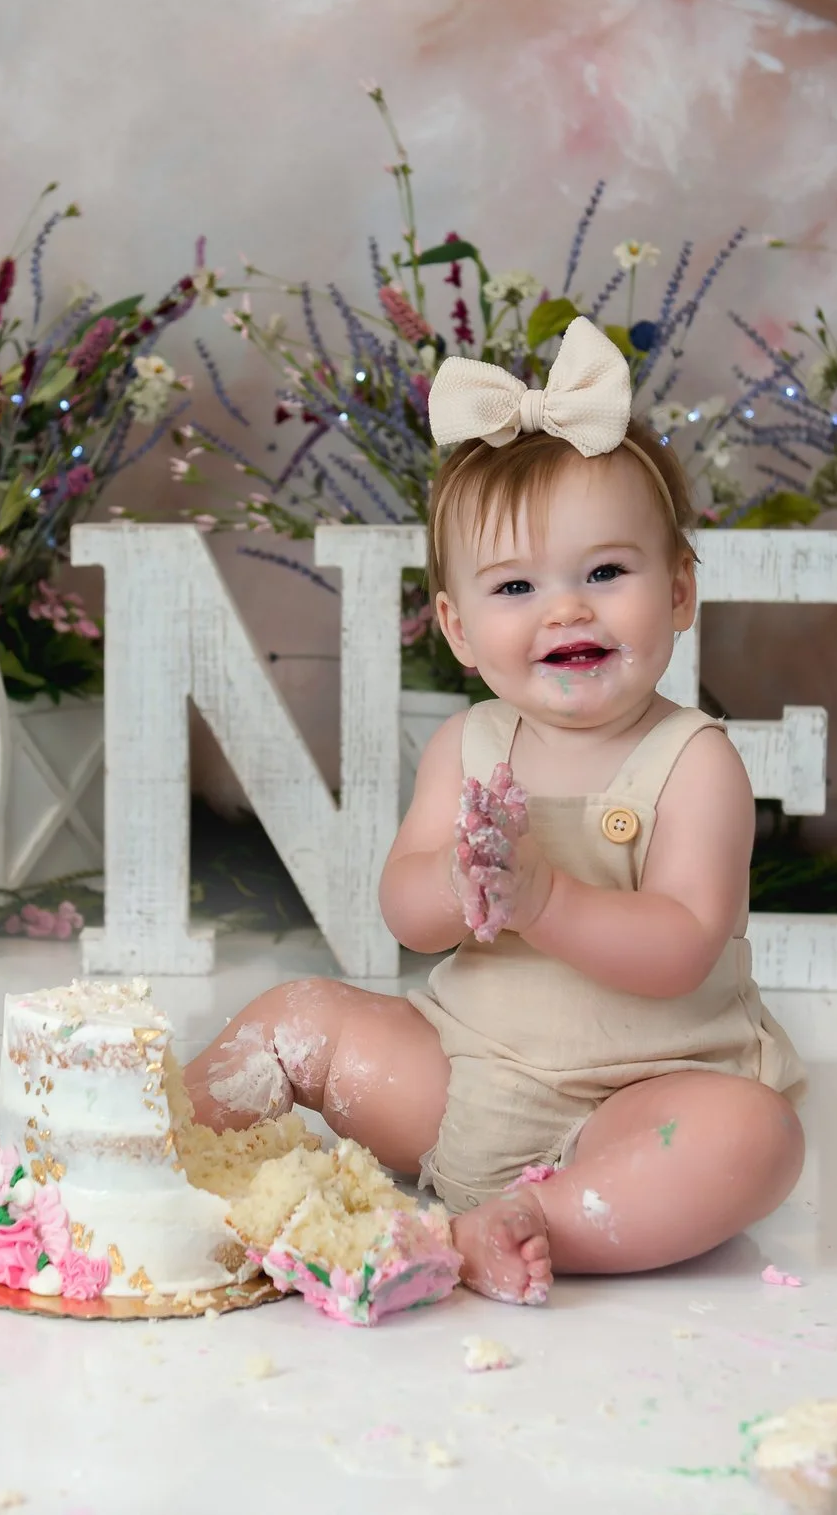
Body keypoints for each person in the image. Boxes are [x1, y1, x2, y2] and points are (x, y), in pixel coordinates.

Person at [183, 317, 804, 1305]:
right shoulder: (466, 747)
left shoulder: (695, 761)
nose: (565, 611)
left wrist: (544, 895)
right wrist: (451, 881)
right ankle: (145, 1142)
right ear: (460, 628)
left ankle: (531, 1218)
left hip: (638, 1098)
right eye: (516, 586)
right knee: (297, 1018)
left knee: (753, 1139)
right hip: (461, 1073)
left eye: (605, 572)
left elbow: (684, 942)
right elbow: (404, 910)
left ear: (680, 589)